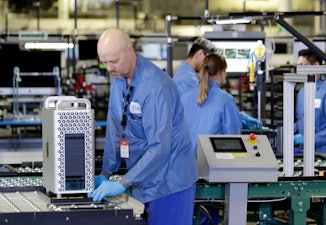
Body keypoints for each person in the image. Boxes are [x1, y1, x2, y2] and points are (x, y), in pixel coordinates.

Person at [92, 28, 198, 225]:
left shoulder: (156, 87)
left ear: (129, 50)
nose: (109, 68)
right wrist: (106, 172)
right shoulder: (118, 79)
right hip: (141, 179)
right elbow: (115, 126)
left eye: (113, 61)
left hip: (169, 181)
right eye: (104, 62)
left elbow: (160, 147)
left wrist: (122, 183)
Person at [181, 53, 242, 225]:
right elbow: (234, 140)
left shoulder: (185, 98)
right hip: (212, 172)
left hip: (185, 170)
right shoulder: (225, 100)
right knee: (209, 216)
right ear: (222, 72)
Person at [294, 48, 326, 156]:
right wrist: (285, 132)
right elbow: (301, 120)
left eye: (303, 65)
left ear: (316, 65)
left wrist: (309, 140)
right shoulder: (302, 92)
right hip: (306, 153)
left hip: (325, 153)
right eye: (298, 65)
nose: (299, 69)